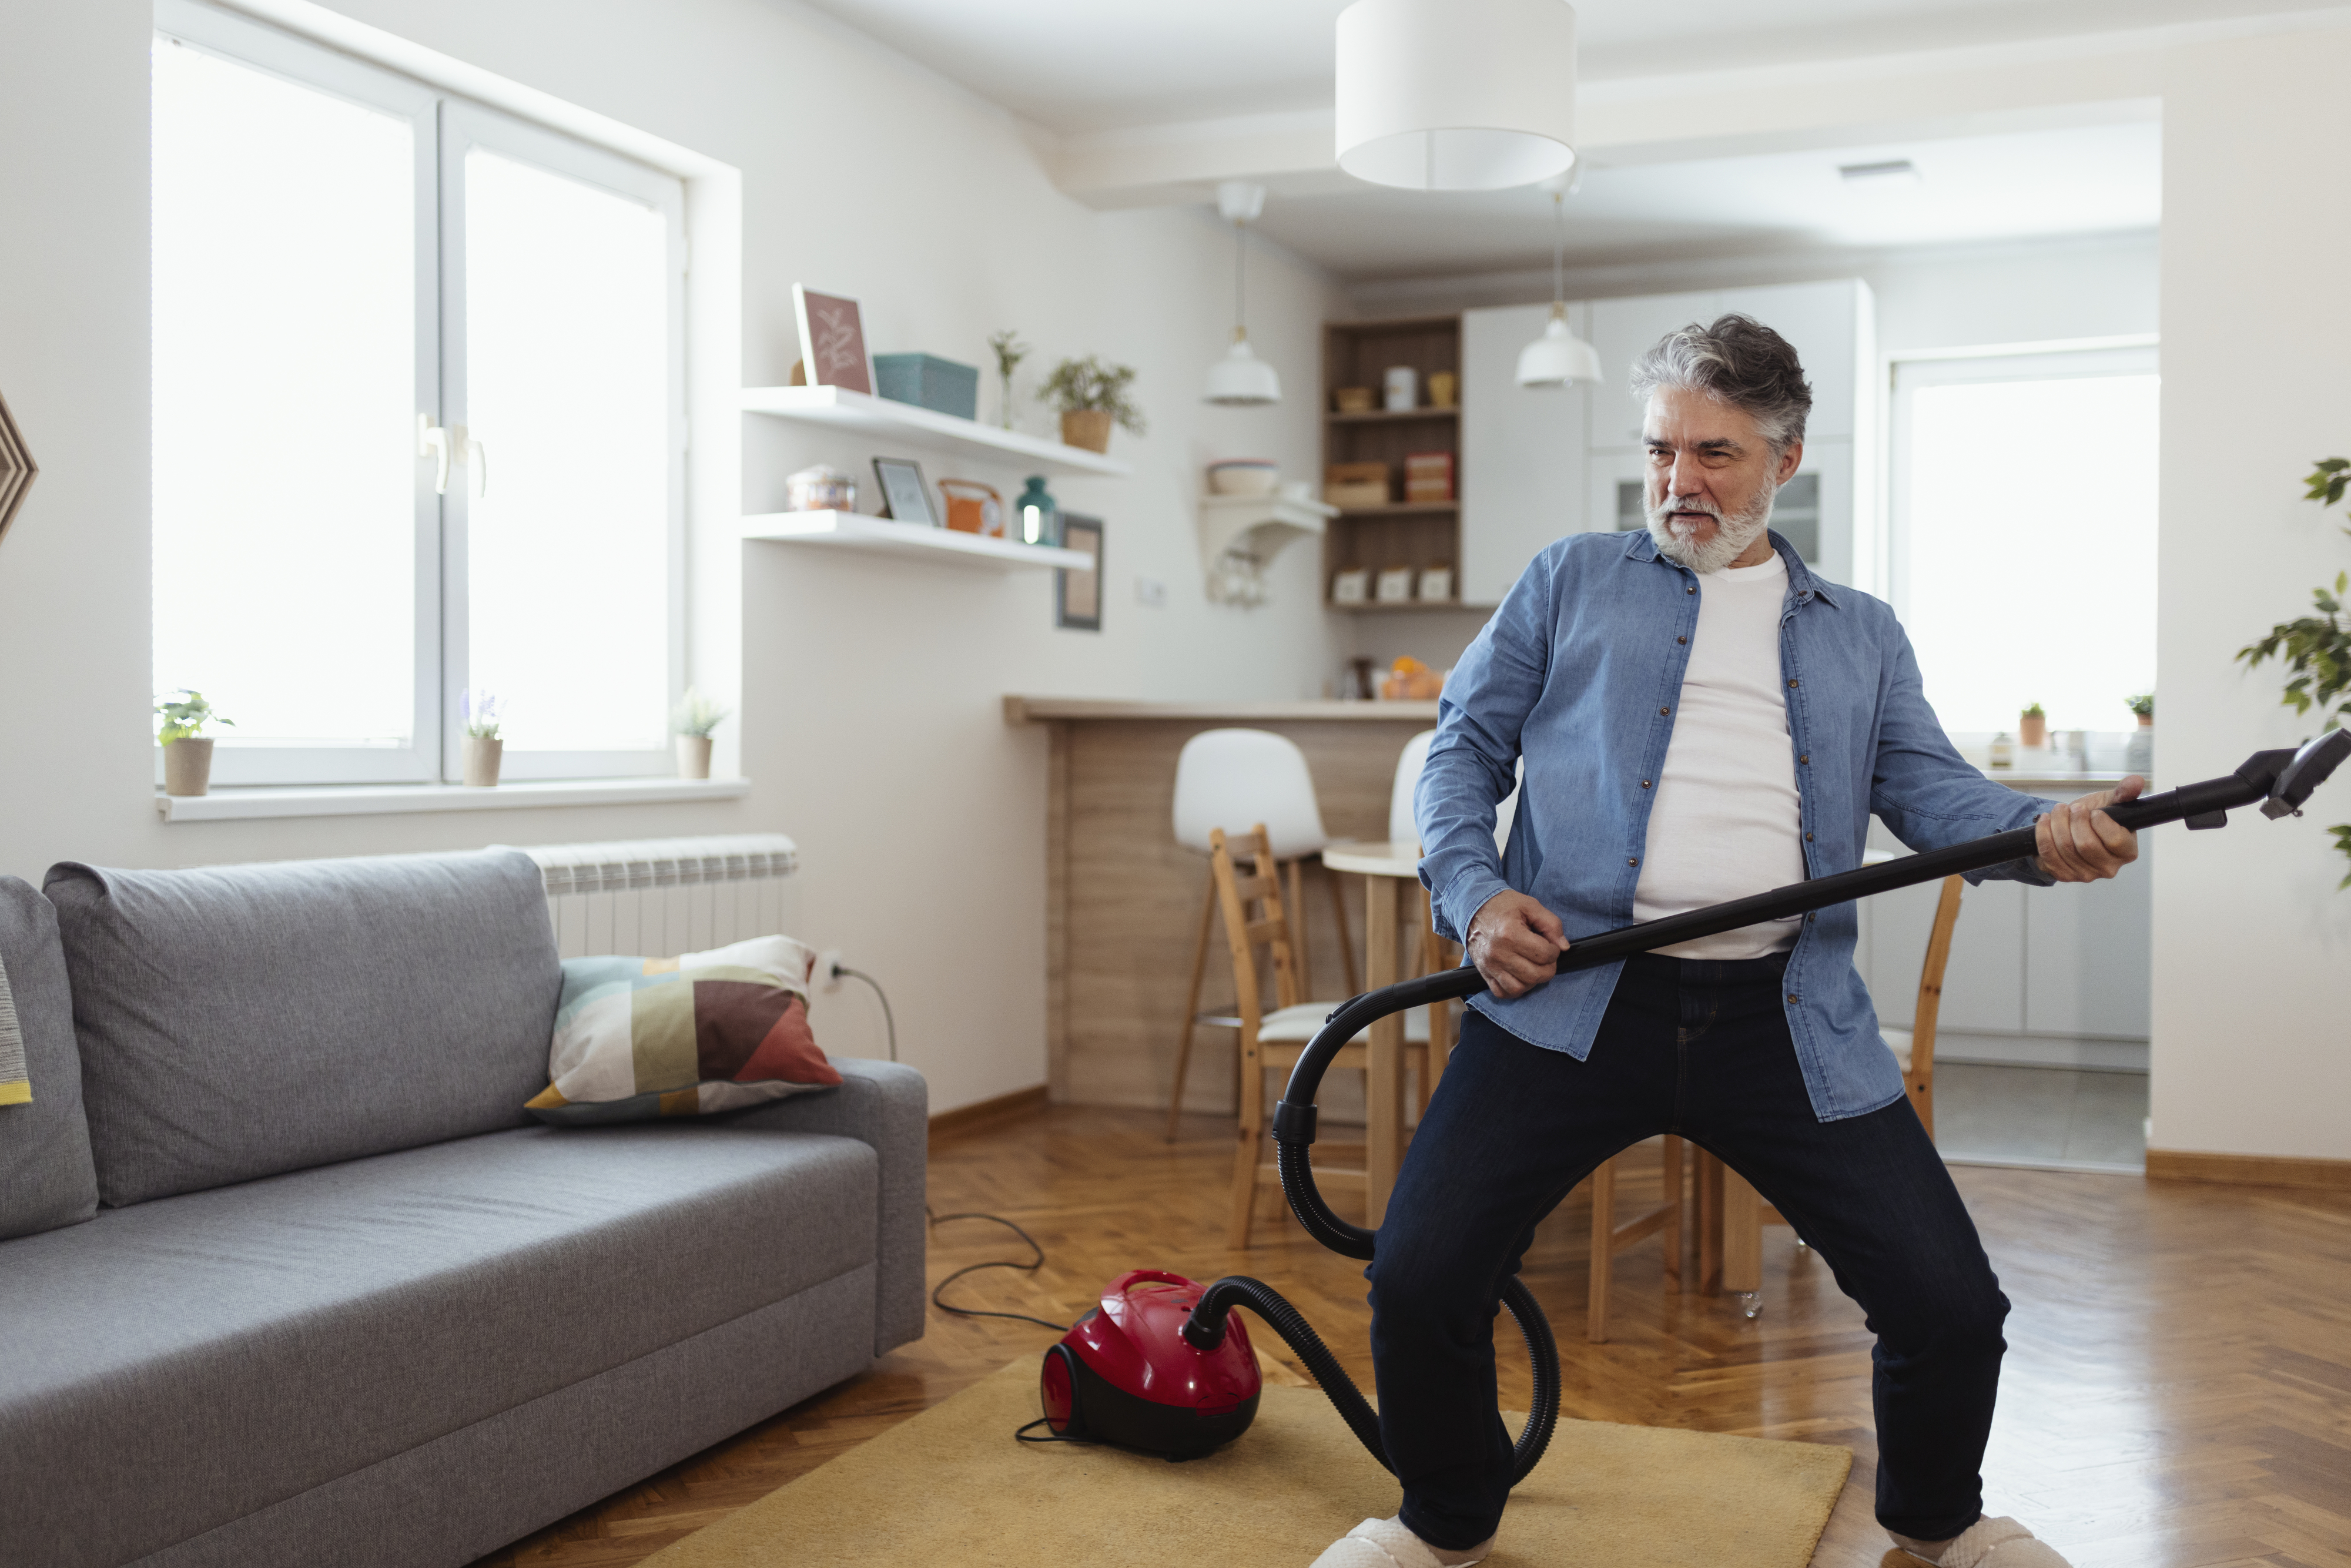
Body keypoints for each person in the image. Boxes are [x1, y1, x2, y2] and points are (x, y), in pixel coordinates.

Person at [1308, 316, 2133, 1568]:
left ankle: (1934, 1520)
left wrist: (2044, 830)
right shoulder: (1567, 578)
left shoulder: (1858, 631)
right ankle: (1443, 1523)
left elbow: (1940, 803)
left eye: (1715, 454)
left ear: (1785, 459)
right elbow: (1462, 746)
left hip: (1783, 1020)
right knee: (1421, 1272)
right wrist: (1474, 894)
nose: (1678, 484)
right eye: (1658, 452)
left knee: (1947, 1303)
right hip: (1571, 1004)